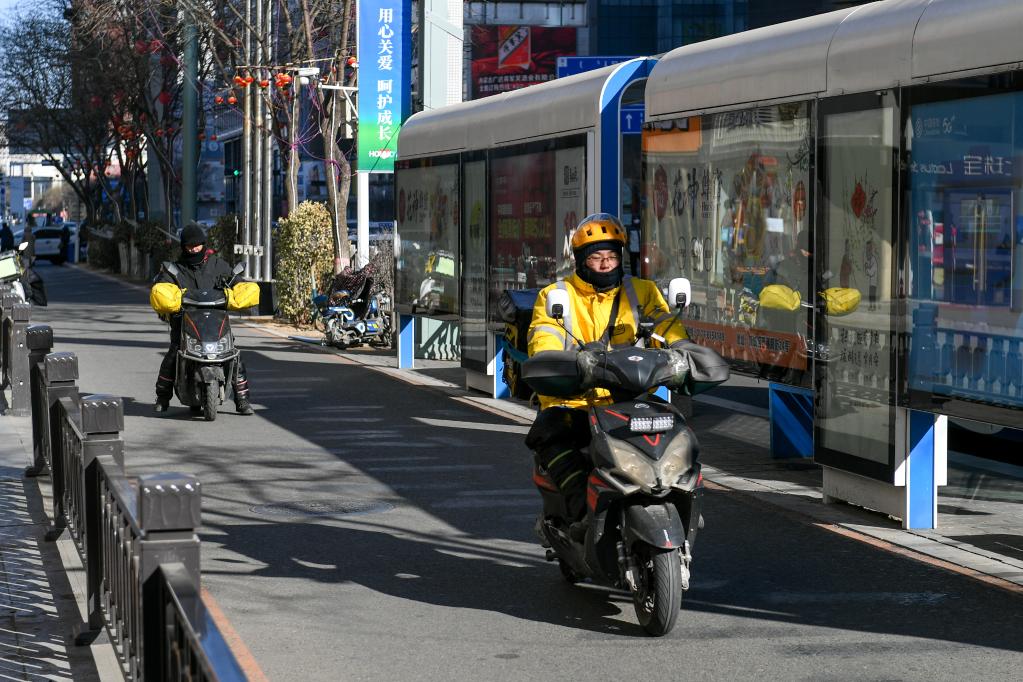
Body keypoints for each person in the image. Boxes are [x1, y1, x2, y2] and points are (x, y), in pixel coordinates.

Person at [525, 213, 691, 523]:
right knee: (551, 433)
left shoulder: (643, 292)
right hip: (575, 401)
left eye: (612, 257)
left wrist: (684, 351)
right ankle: (580, 517)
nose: (605, 264)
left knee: (680, 429)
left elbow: (667, 328)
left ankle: (680, 502)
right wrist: (562, 363)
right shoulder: (557, 295)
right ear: (581, 261)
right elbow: (543, 337)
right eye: (596, 258)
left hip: (632, 400)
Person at [152, 222, 253, 415]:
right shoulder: (175, 269)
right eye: (189, 246)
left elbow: (235, 280)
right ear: (183, 247)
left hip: (216, 322)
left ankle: (243, 401)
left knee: (234, 356)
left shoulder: (217, 265)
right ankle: (162, 397)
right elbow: (163, 284)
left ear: (203, 244)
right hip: (184, 322)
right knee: (174, 354)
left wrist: (241, 289)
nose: (194, 249)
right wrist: (166, 292)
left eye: (197, 245)